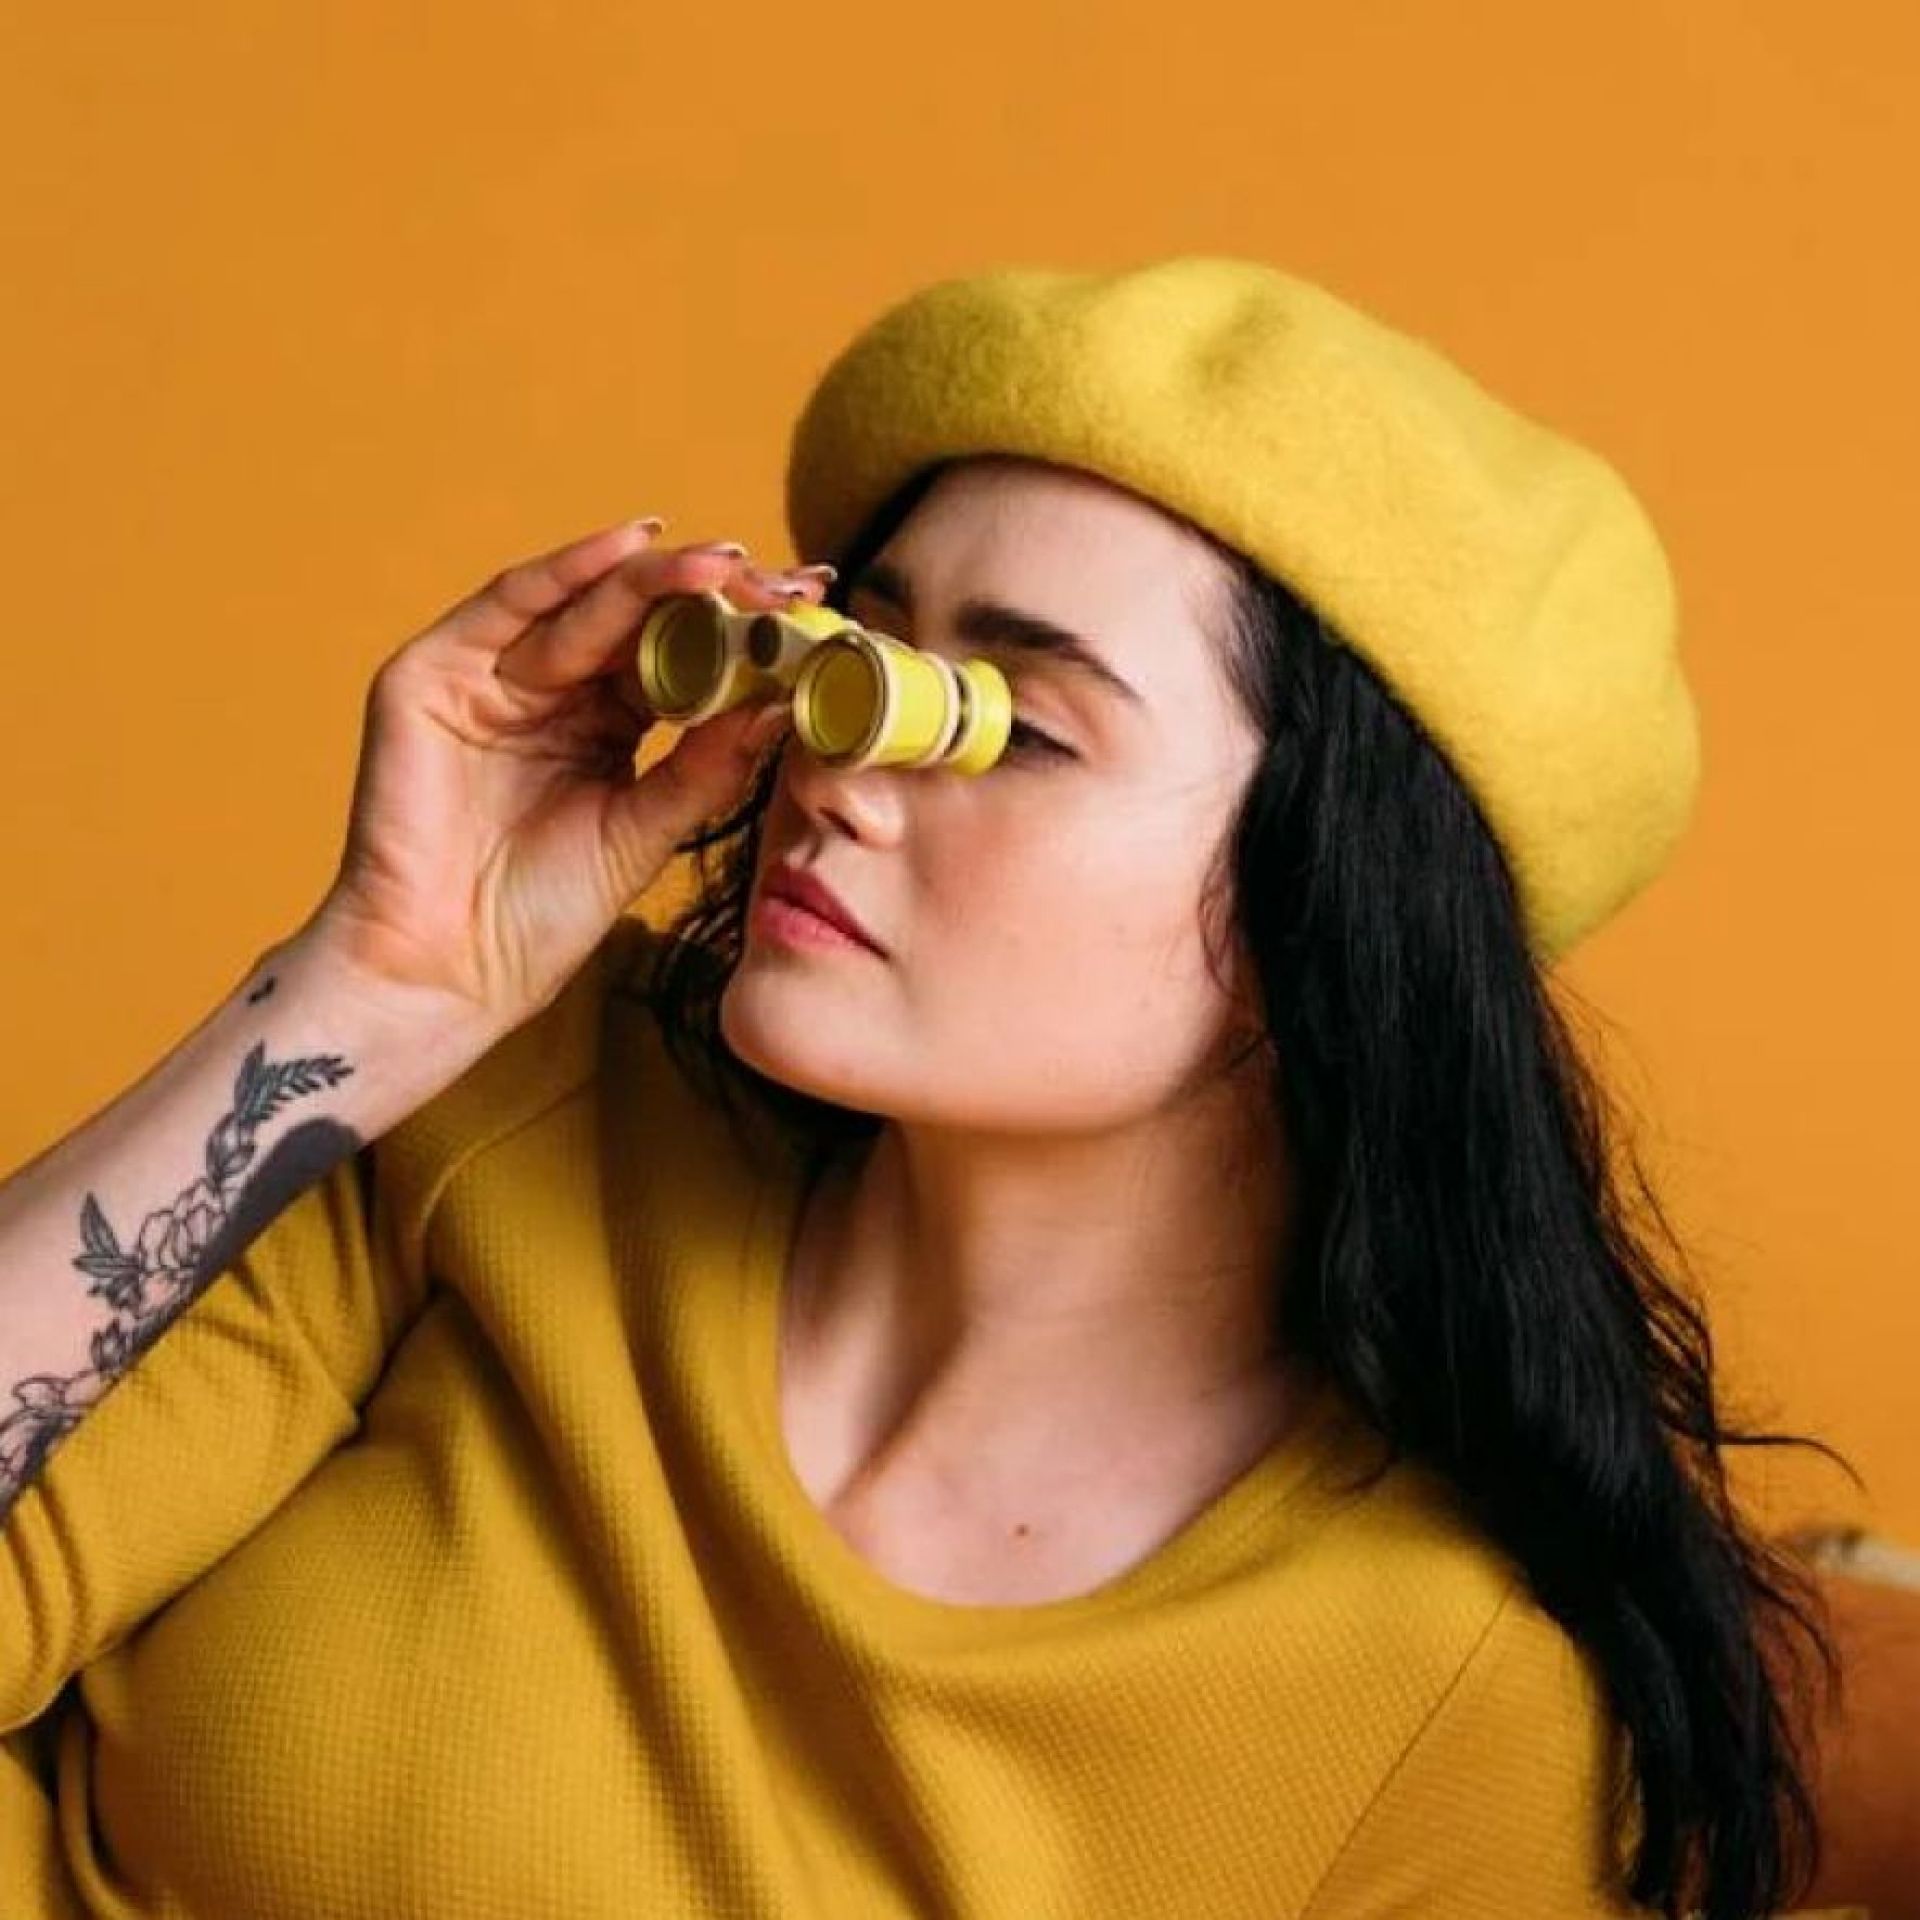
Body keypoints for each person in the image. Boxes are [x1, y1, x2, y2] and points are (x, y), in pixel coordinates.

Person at [0, 255, 1861, 1917]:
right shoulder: (525, 1090)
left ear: (1329, 921)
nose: (836, 771)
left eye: (1012, 727)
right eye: (860, 659)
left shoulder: (1439, 1698)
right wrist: (374, 989)